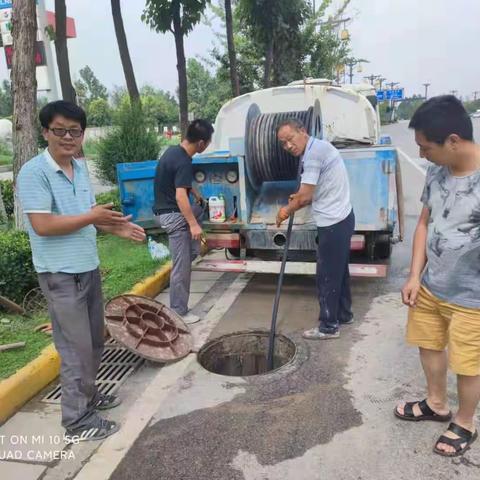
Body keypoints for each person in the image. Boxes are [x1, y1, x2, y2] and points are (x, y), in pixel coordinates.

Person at [17, 101, 146, 442]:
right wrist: (93, 218)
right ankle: (76, 419)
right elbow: (42, 225)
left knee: (93, 342)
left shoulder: (79, 168)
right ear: (45, 132)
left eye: (75, 131)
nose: (68, 137)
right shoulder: (34, 172)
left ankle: (89, 396)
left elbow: (87, 214)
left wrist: (115, 228)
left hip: (87, 269)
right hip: (60, 275)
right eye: (60, 130)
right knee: (75, 349)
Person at [395, 96, 480, 457]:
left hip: (471, 296)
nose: (423, 154)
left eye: (426, 148)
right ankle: (436, 402)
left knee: (468, 362)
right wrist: (415, 275)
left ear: (454, 141)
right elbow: (425, 223)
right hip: (431, 286)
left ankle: (464, 422)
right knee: (428, 343)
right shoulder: (436, 171)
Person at [275, 118, 354, 340]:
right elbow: (311, 191)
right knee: (340, 271)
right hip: (342, 218)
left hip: (333, 222)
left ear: (303, 131)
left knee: (327, 275)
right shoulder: (317, 148)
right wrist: (299, 197)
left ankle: (329, 326)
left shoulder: (313, 154)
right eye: (283, 143)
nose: (288, 146)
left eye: (290, 139)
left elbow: (306, 195)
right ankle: (344, 314)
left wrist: (286, 210)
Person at [153, 119, 214, 324]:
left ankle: (191, 253)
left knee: (201, 207)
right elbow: (180, 197)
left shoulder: (173, 151)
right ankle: (179, 311)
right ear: (201, 144)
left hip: (166, 211)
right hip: (173, 215)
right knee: (182, 265)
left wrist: (195, 194)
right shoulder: (185, 161)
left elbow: (179, 183)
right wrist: (193, 225)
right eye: (209, 142)